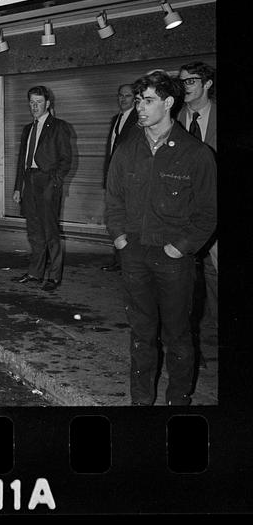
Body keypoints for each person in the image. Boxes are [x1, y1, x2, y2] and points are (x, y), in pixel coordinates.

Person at [106, 71, 216, 406]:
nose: (140, 107)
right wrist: (120, 238)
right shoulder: (126, 150)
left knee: (178, 335)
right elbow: (113, 200)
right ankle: (141, 402)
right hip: (135, 254)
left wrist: (180, 248)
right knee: (141, 335)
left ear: (168, 103)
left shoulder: (195, 153)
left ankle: (178, 402)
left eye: (148, 100)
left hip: (173, 260)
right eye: (138, 100)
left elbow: (208, 213)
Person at [11, 86, 72, 291]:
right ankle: (35, 273)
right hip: (30, 181)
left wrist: (54, 182)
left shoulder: (58, 126)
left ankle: (54, 276)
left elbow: (66, 159)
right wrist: (18, 187)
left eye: (38, 102)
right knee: (34, 231)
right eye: (31, 102)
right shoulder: (28, 128)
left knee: (50, 230)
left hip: (47, 181)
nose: (34, 106)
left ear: (47, 104)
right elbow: (22, 161)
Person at [177, 61, 218, 349]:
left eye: (190, 81)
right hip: (185, 213)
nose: (184, 87)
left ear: (207, 84)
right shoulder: (177, 119)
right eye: (182, 82)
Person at [101, 84, 138, 272]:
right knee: (114, 218)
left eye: (128, 96)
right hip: (113, 177)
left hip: (128, 179)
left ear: (135, 98)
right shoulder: (116, 118)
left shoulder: (139, 118)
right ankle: (118, 261)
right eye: (120, 95)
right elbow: (111, 150)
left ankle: (128, 262)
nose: (123, 99)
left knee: (128, 220)